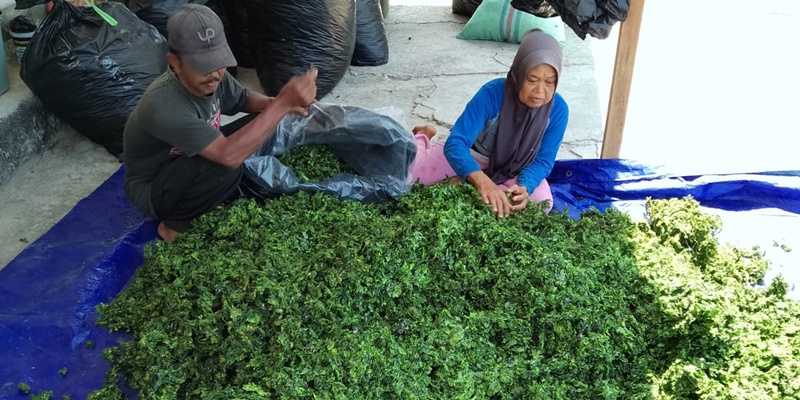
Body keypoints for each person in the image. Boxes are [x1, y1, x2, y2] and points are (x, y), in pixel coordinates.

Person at [123, 4, 317, 243]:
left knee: (266, 121)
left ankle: (208, 192)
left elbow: (244, 99)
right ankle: (174, 227)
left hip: (189, 160)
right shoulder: (164, 105)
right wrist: (282, 104)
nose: (214, 74)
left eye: (218, 62)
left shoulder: (215, 77)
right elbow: (228, 156)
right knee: (226, 167)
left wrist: (280, 105)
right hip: (156, 187)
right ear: (175, 62)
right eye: (203, 66)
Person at [409, 29, 568, 218]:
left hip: (515, 167)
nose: (540, 91)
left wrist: (524, 186)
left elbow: (543, 161)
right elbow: (456, 144)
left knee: (542, 203)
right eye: (532, 80)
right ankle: (423, 135)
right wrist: (482, 181)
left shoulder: (558, 110)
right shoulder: (492, 93)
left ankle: (466, 181)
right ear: (519, 72)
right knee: (416, 178)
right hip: (475, 154)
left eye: (550, 82)